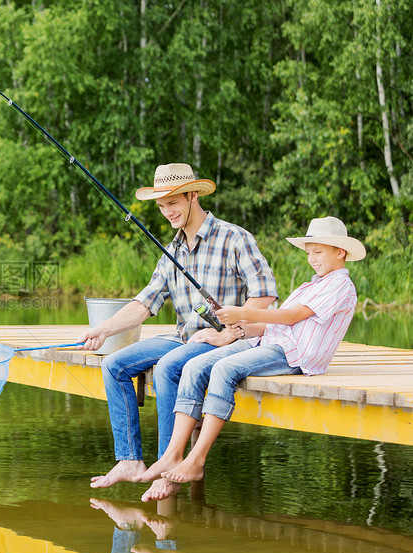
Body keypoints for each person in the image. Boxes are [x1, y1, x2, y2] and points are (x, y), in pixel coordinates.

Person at [79, 163, 278, 488]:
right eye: (161, 205)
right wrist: (104, 330)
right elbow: (144, 303)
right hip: (185, 339)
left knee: (168, 366)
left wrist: (226, 332)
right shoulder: (170, 252)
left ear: (192, 195)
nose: (166, 211)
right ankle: (129, 460)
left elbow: (264, 296)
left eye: (172, 202)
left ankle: (167, 465)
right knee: (115, 364)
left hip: (229, 343)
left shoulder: (234, 237)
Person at [140, 216, 365, 501]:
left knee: (222, 369)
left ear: (340, 252)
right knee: (194, 366)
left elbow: (292, 316)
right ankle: (173, 454)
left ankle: (196, 460)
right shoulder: (312, 285)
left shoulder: (340, 284)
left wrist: (243, 312)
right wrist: (240, 328)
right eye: (308, 252)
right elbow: (277, 325)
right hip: (270, 341)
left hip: (293, 354)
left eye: (317, 252)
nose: (311, 259)